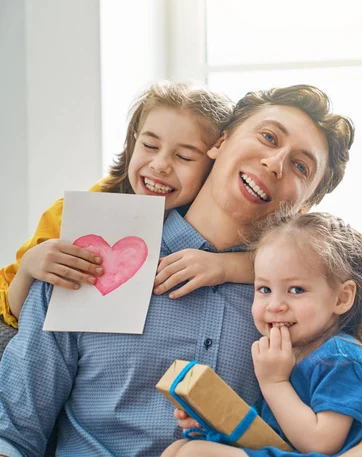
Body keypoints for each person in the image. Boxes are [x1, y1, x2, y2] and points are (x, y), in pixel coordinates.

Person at [0, 85, 362, 457]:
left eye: (299, 166)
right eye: (268, 138)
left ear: (307, 203)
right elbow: (14, 430)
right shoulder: (92, 259)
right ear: (220, 142)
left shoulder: (299, 302)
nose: (274, 163)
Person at [0, 81, 253, 328]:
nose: (159, 165)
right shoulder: (76, 211)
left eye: (184, 156)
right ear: (134, 140)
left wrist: (227, 266)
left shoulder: (221, 219)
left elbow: (285, 258)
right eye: (150, 145)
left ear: (215, 161)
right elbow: (18, 317)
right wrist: (29, 269)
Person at [162, 211, 362, 457]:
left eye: (295, 290)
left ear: (342, 297)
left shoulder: (345, 359)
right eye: (264, 289)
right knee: (178, 449)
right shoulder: (288, 355)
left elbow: (320, 442)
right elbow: (274, 435)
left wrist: (274, 383)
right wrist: (217, 421)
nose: (275, 305)